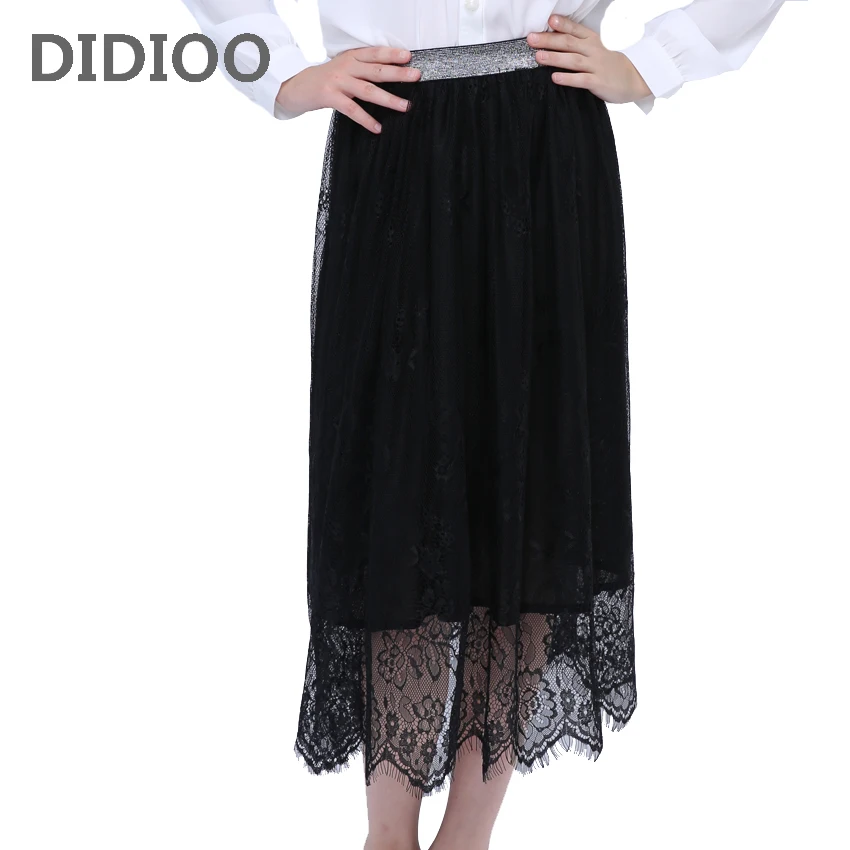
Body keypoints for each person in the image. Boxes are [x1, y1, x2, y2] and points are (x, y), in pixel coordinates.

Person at [180, 3, 794, 849]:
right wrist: (277, 72)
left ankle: (467, 838)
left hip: (546, 142)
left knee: (532, 494)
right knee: (396, 500)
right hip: (393, 133)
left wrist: (659, 60)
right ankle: (387, 836)